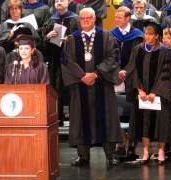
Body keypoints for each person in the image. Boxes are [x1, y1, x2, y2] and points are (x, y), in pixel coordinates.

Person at [61, 7, 122, 167]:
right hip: (80, 85)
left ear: (95, 19)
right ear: (79, 20)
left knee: (107, 119)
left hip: (102, 83)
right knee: (81, 119)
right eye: (82, 18)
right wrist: (82, 76)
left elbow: (114, 56)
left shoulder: (107, 36)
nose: (86, 20)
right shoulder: (71, 39)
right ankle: (83, 156)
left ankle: (110, 155)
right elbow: (66, 60)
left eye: (89, 18)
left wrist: (95, 74)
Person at [124, 22, 171, 165]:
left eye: (151, 34)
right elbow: (133, 71)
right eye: (146, 33)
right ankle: (145, 151)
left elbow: (166, 73)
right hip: (142, 95)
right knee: (144, 122)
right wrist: (139, 89)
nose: (148, 36)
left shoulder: (164, 51)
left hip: (159, 95)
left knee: (161, 123)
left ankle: (161, 151)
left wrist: (154, 92)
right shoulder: (137, 49)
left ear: (157, 36)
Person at [110, 5, 144, 161]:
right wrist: (117, 70)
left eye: (119, 17)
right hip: (116, 76)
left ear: (128, 18)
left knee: (133, 111)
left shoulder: (137, 35)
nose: (116, 20)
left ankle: (132, 145)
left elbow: (138, 58)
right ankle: (120, 143)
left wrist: (126, 71)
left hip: (133, 77)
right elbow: (109, 54)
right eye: (116, 17)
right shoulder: (111, 34)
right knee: (116, 110)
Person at [42, 0, 79, 124]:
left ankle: (74, 120)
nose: (59, 2)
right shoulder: (51, 20)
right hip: (55, 60)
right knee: (56, 87)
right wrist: (48, 36)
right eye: (56, 1)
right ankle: (58, 119)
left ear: (68, 3)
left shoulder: (75, 19)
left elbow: (81, 37)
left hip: (72, 60)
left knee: (72, 88)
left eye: (62, 0)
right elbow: (43, 42)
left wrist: (70, 39)